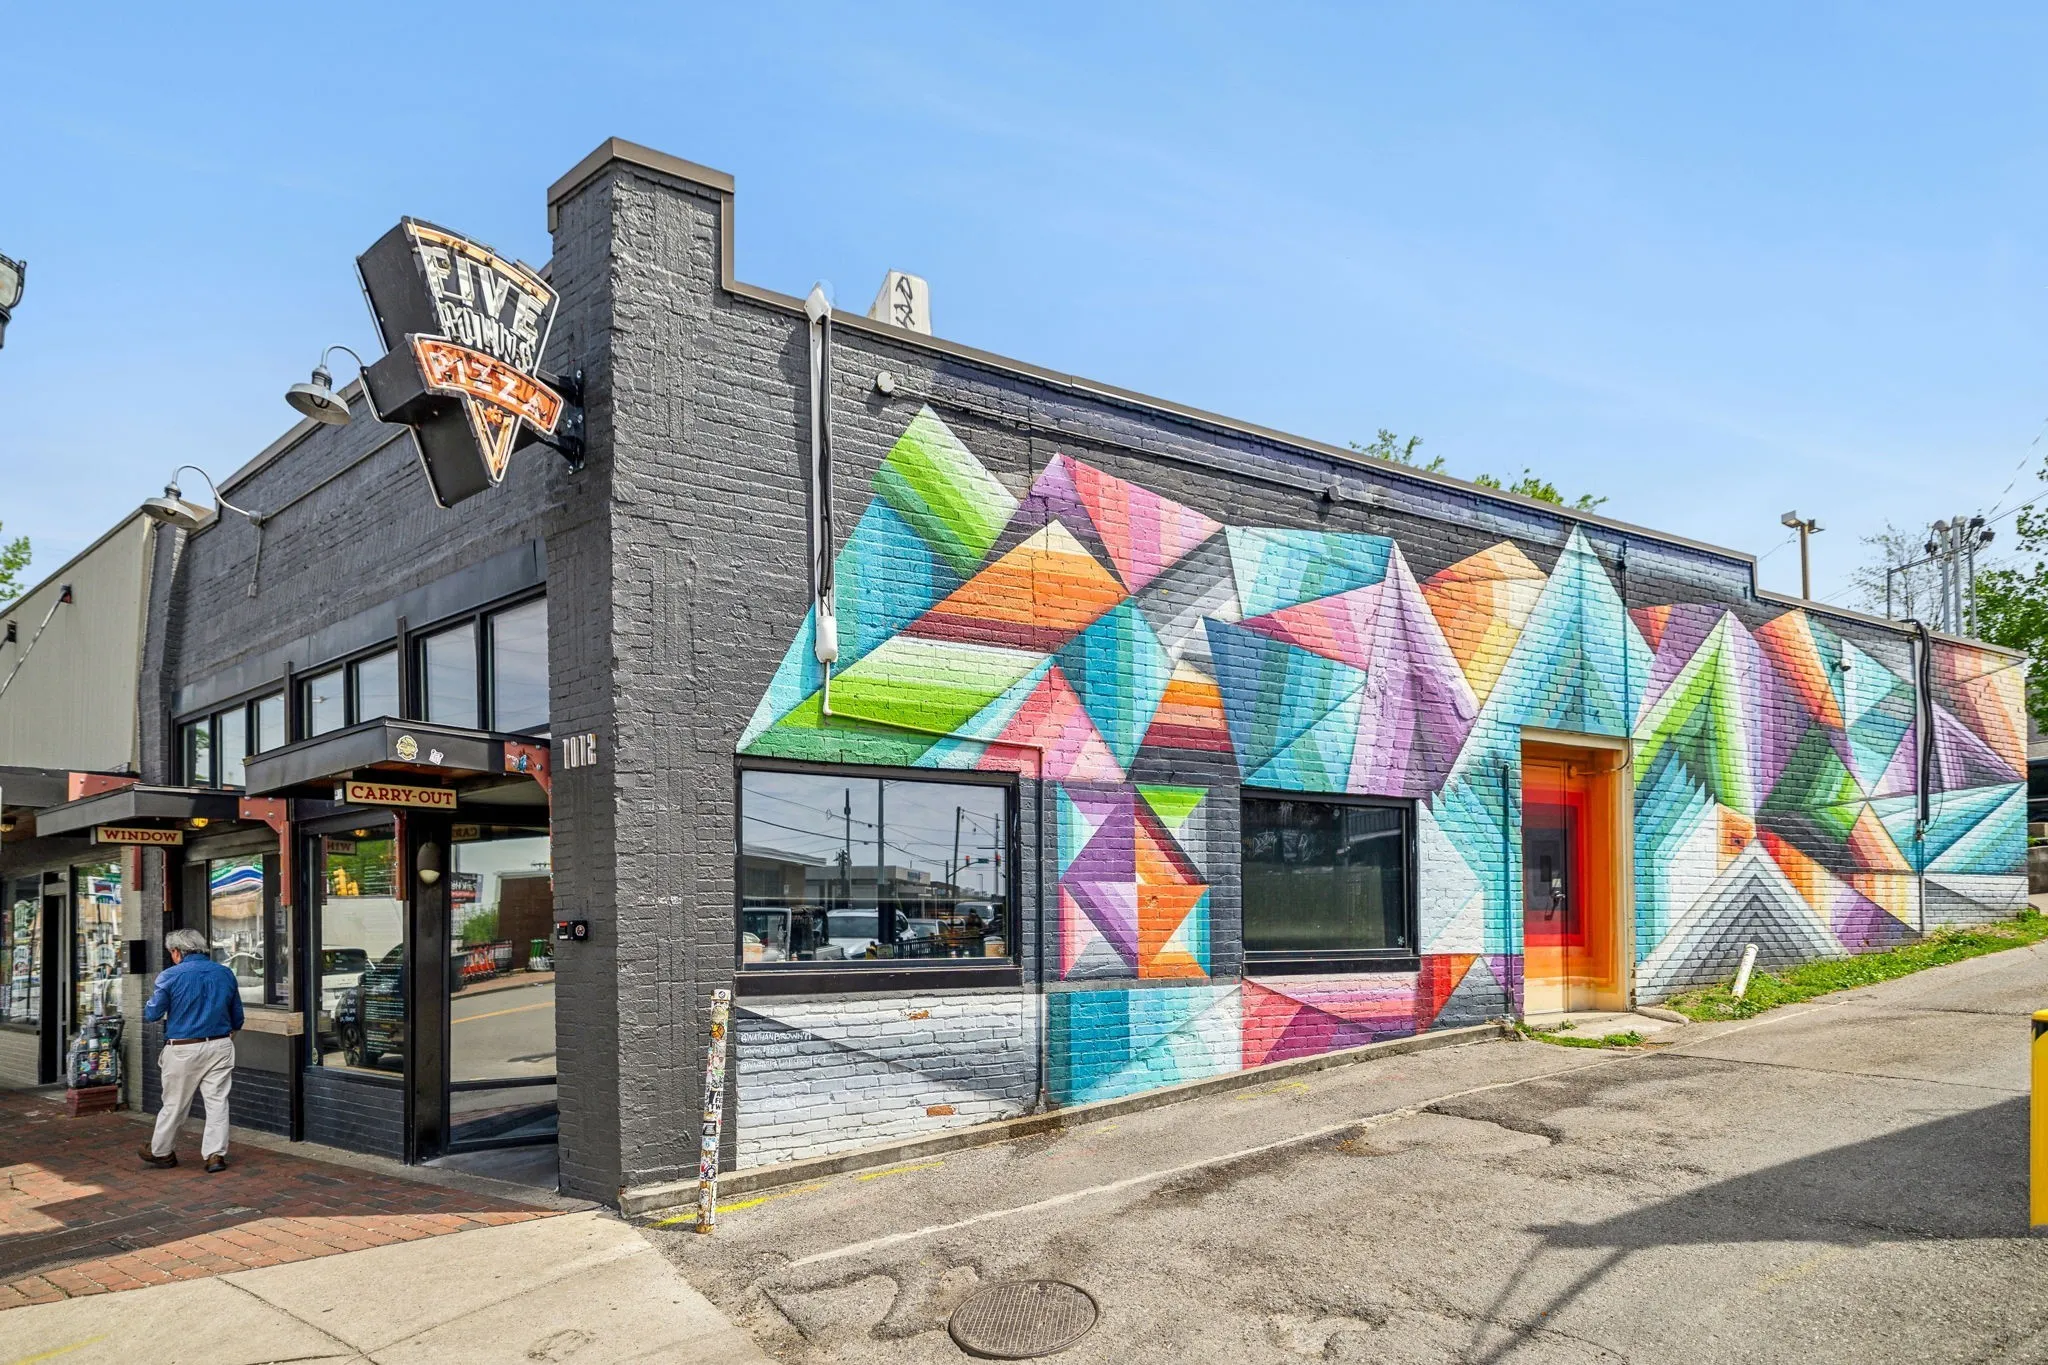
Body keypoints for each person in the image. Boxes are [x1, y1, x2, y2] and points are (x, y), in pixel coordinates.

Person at [138, 927, 243, 1173]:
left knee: (174, 1103)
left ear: (177, 952)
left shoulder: (170, 976)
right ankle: (215, 1155)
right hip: (220, 1044)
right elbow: (237, 1017)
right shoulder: (225, 973)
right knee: (217, 1102)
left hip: (183, 1048)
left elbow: (152, 1013)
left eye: (171, 953)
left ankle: (162, 1151)